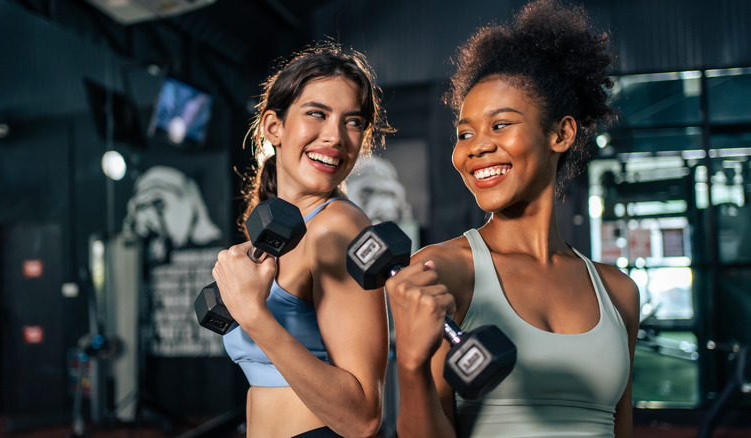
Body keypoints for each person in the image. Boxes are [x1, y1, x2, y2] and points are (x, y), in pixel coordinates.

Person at [384, 1, 640, 437]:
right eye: (465, 133)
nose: (476, 148)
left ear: (561, 134)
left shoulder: (618, 292)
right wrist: (410, 365)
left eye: (500, 125)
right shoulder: (442, 271)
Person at [211, 41, 393, 438]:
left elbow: (363, 418)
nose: (336, 136)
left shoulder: (337, 227)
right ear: (274, 127)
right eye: (317, 114)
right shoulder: (275, 229)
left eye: (353, 121)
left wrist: (254, 315)